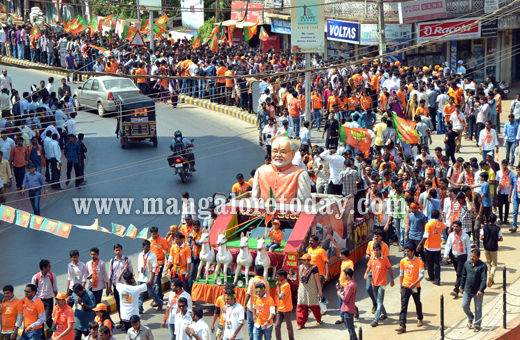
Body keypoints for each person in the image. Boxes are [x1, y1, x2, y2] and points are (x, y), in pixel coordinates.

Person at [395, 244, 424, 334]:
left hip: (415, 287)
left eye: (408, 251)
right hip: (405, 287)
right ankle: (402, 325)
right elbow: (401, 275)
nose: (406, 253)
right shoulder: (403, 261)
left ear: (413, 252)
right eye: (405, 251)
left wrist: (414, 283)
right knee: (403, 306)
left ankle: (420, 318)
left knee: (417, 303)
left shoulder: (419, 261)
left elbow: (421, 275)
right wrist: (401, 286)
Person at [364, 243, 394, 327]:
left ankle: (375, 320)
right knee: (378, 301)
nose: (375, 251)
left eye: (377, 250)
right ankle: (384, 314)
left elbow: (390, 269)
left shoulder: (385, 259)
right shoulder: (371, 258)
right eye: (374, 250)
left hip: (382, 284)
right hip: (374, 283)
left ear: (380, 250)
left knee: (379, 302)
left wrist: (392, 280)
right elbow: (368, 267)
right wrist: (366, 273)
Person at [461, 249, 488, 332]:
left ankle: (477, 325)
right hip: (467, 289)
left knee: (478, 308)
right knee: (464, 305)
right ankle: (470, 317)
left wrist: (481, 290)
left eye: (474, 256)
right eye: (471, 256)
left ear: (478, 257)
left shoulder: (482, 266)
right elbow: (463, 276)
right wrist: (461, 287)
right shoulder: (467, 264)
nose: (472, 258)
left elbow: (484, 279)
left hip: (478, 291)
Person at [443, 221, 471, 299]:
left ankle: (456, 290)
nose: (455, 228)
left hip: (462, 257)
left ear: (460, 227)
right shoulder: (451, 235)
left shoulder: (465, 236)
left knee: (459, 273)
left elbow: (468, 248)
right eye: (454, 226)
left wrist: (469, 259)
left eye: (456, 226)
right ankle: (464, 285)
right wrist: (445, 256)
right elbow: (448, 245)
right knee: (459, 273)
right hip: (454, 256)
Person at [364, 229, 390, 314]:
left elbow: (386, 260)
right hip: (371, 270)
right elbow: (367, 254)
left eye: (377, 236)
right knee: (368, 288)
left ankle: (379, 313)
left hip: (379, 272)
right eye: (375, 236)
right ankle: (375, 303)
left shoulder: (385, 246)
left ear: (381, 237)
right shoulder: (370, 244)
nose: (375, 237)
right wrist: (367, 256)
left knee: (379, 294)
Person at [108, 244, 133, 329]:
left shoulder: (127, 260)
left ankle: (127, 322)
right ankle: (121, 321)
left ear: (122, 250)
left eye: (119, 250)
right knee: (118, 304)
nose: (118, 252)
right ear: (114, 251)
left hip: (125, 286)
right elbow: (111, 275)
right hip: (116, 286)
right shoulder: (112, 261)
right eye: (116, 250)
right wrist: (109, 287)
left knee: (125, 303)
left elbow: (131, 273)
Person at [417, 209, 445, 285]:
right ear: (438, 216)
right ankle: (437, 279)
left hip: (429, 247)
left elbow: (426, 236)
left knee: (429, 263)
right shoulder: (440, 224)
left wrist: (420, 243)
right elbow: (444, 226)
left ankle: (431, 277)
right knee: (436, 264)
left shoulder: (428, 224)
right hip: (437, 247)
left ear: (431, 215)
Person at [31, 259, 58, 336]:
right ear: (43, 268)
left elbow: (55, 288)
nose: (50, 268)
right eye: (49, 266)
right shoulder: (35, 277)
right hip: (39, 301)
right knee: (41, 320)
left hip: (49, 300)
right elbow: (32, 291)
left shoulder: (52, 276)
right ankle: (42, 336)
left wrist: (57, 299)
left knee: (48, 318)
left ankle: (55, 330)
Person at [296, 254, 323, 329]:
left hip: (311, 289)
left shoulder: (314, 268)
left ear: (309, 260)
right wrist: (298, 290)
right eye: (302, 260)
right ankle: (301, 324)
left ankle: (318, 320)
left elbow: (317, 280)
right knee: (301, 307)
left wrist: (320, 291)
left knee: (314, 306)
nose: (303, 262)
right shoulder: (300, 267)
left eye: (305, 260)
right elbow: (299, 280)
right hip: (302, 289)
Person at [137, 240, 163, 314]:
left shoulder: (152, 255)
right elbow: (139, 266)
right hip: (141, 277)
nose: (148, 247)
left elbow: (154, 268)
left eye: (149, 246)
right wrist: (138, 276)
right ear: (143, 247)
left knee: (151, 292)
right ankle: (140, 308)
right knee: (140, 293)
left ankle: (159, 302)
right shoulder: (140, 255)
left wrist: (151, 279)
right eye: (146, 246)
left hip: (148, 277)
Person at [244, 266, 269, 340]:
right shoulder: (266, 282)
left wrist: (245, 304)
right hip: (261, 308)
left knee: (250, 324)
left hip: (251, 306)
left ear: (255, 272)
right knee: (259, 325)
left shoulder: (252, 280)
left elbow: (248, 293)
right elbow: (267, 296)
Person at [480, 213, 502, 287]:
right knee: (494, 264)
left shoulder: (484, 228)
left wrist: (485, 239)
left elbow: (481, 237)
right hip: (494, 248)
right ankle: (492, 275)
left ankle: (490, 277)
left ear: (489, 219)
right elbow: (501, 239)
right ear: (495, 220)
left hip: (486, 247)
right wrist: (496, 239)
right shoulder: (498, 228)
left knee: (488, 263)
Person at [148, 226, 170, 302]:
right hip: (151, 264)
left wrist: (168, 264)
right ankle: (160, 295)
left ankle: (157, 299)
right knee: (152, 281)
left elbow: (166, 252)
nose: (155, 235)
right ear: (150, 233)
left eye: (156, 233)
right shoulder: (149, 242)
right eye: (153, 234)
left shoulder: (163, 241)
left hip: (160, 263)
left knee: (157, 280)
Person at [336, 268, 357, 340]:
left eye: (344, 274)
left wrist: (339, 294)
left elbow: (345, 299)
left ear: (347, 275)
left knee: (350, 329)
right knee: (351, 328)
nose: (344, 276)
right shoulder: (352, 284)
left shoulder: (350, 286)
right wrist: (341, 290)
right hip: (350, 309)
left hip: (348, 310)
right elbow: (347, 295)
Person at [274, 269, 293, 340]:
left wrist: (278, 287)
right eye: (276, 276)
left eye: (278, 276)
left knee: (288, 326)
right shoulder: (280, 283)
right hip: (279, 308)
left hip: (286, 309)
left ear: (283, 276)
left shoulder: (286, 285)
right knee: (277, 326)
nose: (276, 277)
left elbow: (280, 296)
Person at [496, 159, 514, 225]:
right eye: (503, 165)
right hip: (501, 192)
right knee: (500, 206)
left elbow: (512, 183)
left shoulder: (511, 173)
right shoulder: (498, 172)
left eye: (505, 165)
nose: (504, 166)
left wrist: (510, 194)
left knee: (507, 206)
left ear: (507, 165)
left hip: (507, 192)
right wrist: (495, 190)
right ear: (501, 165)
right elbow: (497, 182)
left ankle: (505, 219)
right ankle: (500, 219)